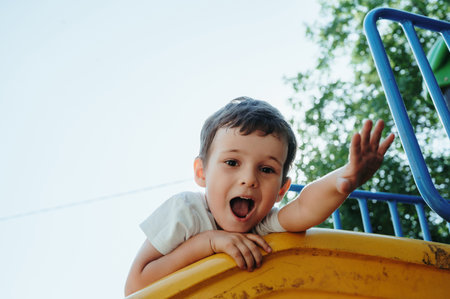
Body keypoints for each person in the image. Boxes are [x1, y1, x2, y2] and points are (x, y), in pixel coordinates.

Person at [124, 97, 395, 296]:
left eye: (266, 169)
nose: (249, 179)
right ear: (202, 172)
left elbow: (303, 208)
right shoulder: (186, 212)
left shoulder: (263, 226)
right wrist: (209, 242)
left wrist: (345, 179)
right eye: (232, 163)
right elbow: (136, 287)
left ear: (281, 190)